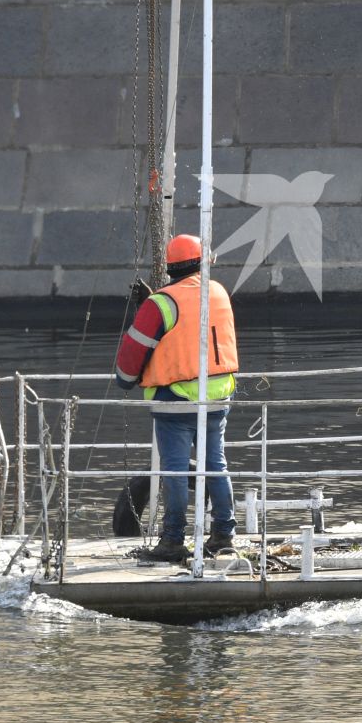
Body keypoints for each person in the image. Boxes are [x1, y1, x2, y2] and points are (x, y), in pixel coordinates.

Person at [114, 233, 238, 563]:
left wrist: (124, 381)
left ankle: (172, 541)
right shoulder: (218, 292)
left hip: (175, 401)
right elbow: (191, 324)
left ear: (169, 268)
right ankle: (224, 536)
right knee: (216, 465)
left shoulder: (161, 304)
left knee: (175, 470)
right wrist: (155, 300)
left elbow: (133, 354)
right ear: (204, 261)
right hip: (217, 396)